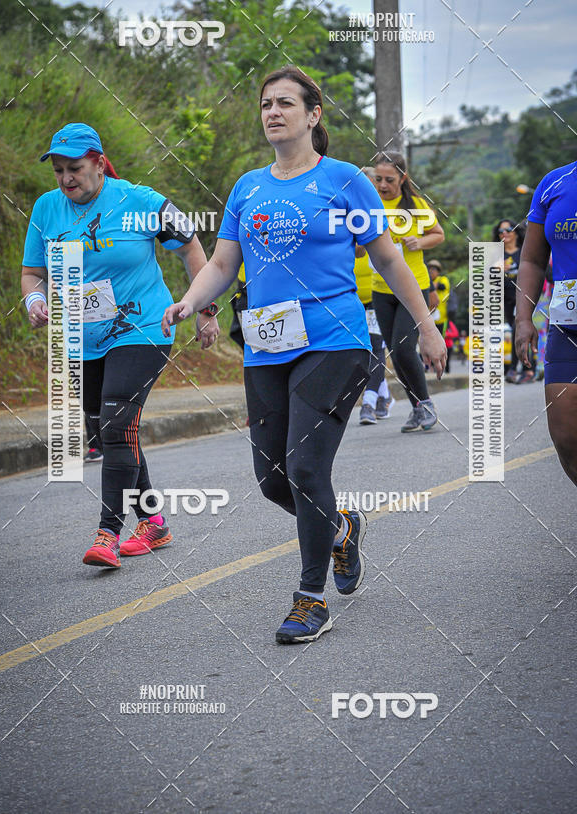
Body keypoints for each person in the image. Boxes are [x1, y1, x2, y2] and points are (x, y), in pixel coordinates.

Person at [162, 65, 447, 644]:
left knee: (305, 468)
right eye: (266, 103)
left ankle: (310, 598)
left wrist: (426, 325)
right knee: (272, 480)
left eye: (286, 103)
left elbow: (389, 259)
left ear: (313, 115)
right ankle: (341, 529)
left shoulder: (346, 181)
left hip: (335, 340)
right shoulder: (248, 187)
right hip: (267, 346)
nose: (273, 112)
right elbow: (222, 265)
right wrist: (189, 301)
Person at [22, 122, 220, 568]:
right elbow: (33, 271)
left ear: (98, 162)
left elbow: (193, 247)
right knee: (113, 428)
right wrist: (35, 298)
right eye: (58, 171)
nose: (66, 178)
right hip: (81, 338)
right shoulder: (46, 209)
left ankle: (107, 533)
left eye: (74, 168)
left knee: (115, 421)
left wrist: (204, 309)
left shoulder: (140, 201)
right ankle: (154, 523)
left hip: (143, 328)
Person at [370, 152, 445, 432]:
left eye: (389, 179)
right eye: (378, 179)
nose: (383, 185)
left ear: (403, 178)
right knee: (394, 351)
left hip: (414, 287)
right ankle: (417, 408)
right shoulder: (370, 204)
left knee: (403, 348)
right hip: (381, 289)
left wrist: (419, 241)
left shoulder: (416, 206)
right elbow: (356, 247)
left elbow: (438, 234)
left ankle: (425, 403)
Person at [515, 160, 577, 487]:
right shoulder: (554, 184)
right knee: (566, 437)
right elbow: (532, 259)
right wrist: (523, 318)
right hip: (568, 326)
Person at [354, 241, 394, 423]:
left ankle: (368, 403)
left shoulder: (373, 225)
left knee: (376, 347)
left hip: (376, 300)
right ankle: (384, 395)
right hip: (351, 300)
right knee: (361, 353)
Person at [492, 218, 527, 383]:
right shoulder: (496, 255)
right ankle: (528, 369)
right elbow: (488, 281)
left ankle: (515, 369)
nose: (504, 233)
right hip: (507, 300)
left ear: (515, 231)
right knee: (518, 332)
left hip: (525, 298)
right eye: (501, 231)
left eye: (508, 230)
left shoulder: (525, 251)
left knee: (517, 329)